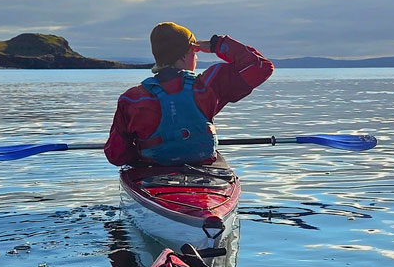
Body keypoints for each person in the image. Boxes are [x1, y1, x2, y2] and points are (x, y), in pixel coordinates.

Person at [105, 22, 273, 167]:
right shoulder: (208, 85)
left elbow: (116, 155)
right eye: (194, 52)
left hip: (153, 174)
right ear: (184, 56)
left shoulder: (132, 99)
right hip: (204, 174)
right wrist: (217, 45)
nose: (196, 58)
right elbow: (262, 67)